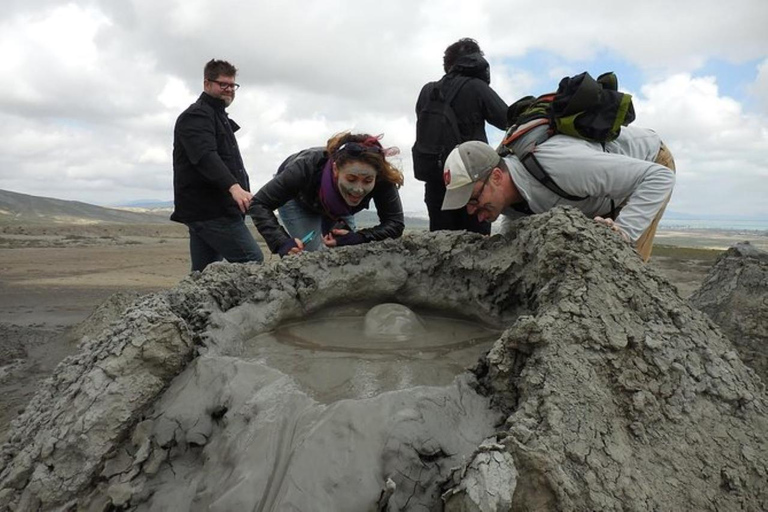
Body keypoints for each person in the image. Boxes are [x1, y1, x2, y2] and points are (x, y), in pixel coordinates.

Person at [440, 125, 676, 261]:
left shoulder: (560, 165)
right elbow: (517, 228)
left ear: (496, 177)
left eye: (473, 199)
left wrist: (623, 232)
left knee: (623, 261)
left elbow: (658, 177)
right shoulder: (510, 199)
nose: (471, 211)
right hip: (594, 195)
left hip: (649, 164)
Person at [171, 59, 264, 272]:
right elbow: (205, 157)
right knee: (251, 260)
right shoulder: (196, 116)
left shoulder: (217, 116)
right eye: (223, 84)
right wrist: (234, 187)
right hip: (211, 209)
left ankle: (196, 305)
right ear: (207, 84)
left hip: (210, 209)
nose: (229, 90)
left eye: (232, 85)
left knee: (204, 272)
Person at [249, 132, 405, 256]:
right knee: (311, 255)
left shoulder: (382, 177)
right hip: (299, 200)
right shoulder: (304, 167)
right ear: (336, 169)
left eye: (367, 181)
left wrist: (360, 237)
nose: (358, 189)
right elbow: (259, 204)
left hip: (340, 206)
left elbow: (395, 223)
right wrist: (281, 242)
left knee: (348, 251)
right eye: (351, 179)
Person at [413, 38, 508, 235]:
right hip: (473, 184)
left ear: (448, 64)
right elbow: (508, 120)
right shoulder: (476, 87)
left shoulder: (428, 91)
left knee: (440, 246)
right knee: (476, 247)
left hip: (436, 182)